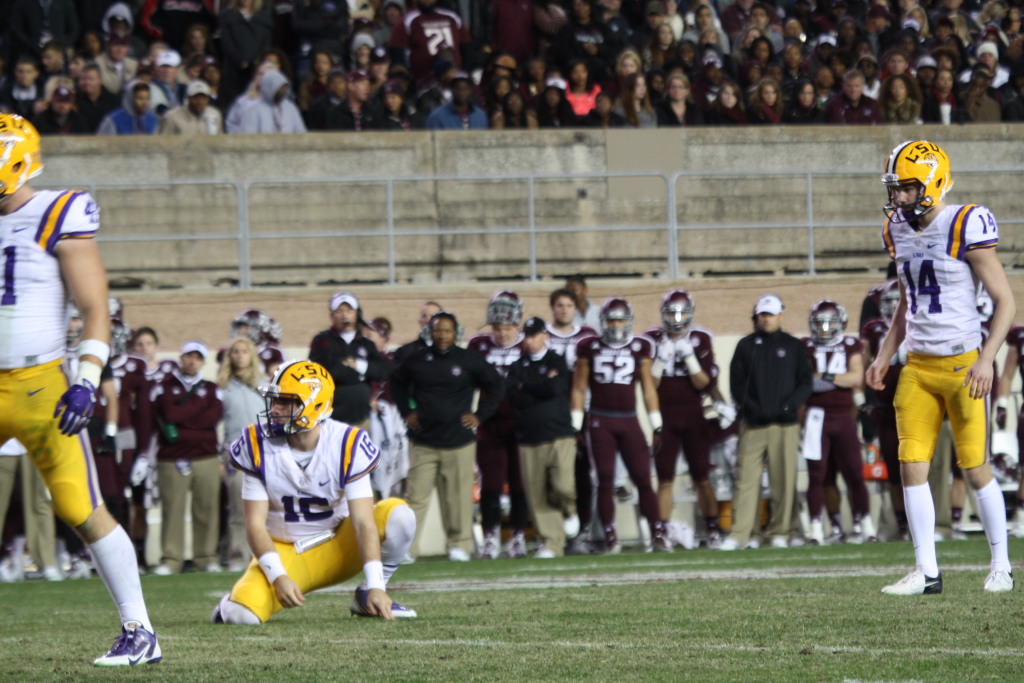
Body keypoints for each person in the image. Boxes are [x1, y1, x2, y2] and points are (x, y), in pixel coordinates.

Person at [0, 113, 160, 665]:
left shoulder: (57, 211)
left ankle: (140, 630)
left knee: (81, 506)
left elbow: (95, 308)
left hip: (40, 384)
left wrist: (88, 380)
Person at [869, 140, 1015, 595]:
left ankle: (1002, 565)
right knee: (911, 462)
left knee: (975, 468)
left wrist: (987, 358)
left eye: (907, 189)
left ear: (931, 184)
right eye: (895, 189)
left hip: (962, 365)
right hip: (917, 365)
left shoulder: (964, 223)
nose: (898, 198)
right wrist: (882, 353)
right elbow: (906, 301)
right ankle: (926, 571)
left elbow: (1007, 302)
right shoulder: (896, 229)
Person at [212, 360, 415, 624]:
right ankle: (229, 604)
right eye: (274, 401)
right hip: (285, 551)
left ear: (315, 404)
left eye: (285, 402)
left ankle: (368, 595)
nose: (275, 410)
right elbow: (254, 523)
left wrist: (377, 585)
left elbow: (364, 522)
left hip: (339, 542)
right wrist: (278, 575)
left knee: (400, 516)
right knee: (242, 616)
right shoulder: (256, 444)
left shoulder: (347, 442)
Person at [389, 311, 503, 562]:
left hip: (458, 442)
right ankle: (408, 548)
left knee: (458, 498)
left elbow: (495, 385)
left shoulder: (469, 360)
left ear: (456, 333)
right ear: (431, 332)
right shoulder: (416, 360)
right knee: (415, 498)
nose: (442, 335)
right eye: (438, 330)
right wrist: (407, 412)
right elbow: (395, 383)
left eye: (447, 330)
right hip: (423, 442)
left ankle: (459, 545)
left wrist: (479, 415)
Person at [571, 297, 668, 553]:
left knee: (643, 479)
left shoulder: (640, 346)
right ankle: (610, 536)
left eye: (620, 319)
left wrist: (656, 424)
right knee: (604, 480)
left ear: (629, 321)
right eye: (611, 319)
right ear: (603, 321)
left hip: (629, 419)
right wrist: (576, 425)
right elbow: (579, 388)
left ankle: (658, 533)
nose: (615, 325)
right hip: (600, 420)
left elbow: (648, 390)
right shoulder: (589, 347)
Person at [721, 293, 813, 550]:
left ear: (780, 316)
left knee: (783, 480)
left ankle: (780, 531)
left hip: (785, 425)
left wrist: (790, 405)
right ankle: (742, 533)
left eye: (771, 314)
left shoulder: (793, 346)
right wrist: (750, 407)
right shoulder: (746, 345)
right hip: (753, 424)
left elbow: (805, 382)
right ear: (756, 316)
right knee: (745, 481)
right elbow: (736, 383)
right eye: (762, 314)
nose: (766, 319)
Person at [645, 290, 724, 548]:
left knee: (701, 475)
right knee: (665, 477)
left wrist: (689, 358)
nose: (676, 318)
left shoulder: (700, 338)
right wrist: (661, 359)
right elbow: (651, 384)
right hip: (665, 415)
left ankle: (712, 528)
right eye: (671, 312)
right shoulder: (653, 340)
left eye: (680, 312)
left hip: (694, 415)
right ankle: (661, 531)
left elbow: (705, 382)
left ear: (690, 313)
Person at [800, 300, 877, 545]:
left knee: (855, 473)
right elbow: (803, 379)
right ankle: (817, 528)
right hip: (815, 416)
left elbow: (856, 377)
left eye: (829, 322)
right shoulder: (805, 346)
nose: (824, 328)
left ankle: (866, 525)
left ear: (841, 323)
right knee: (817, 475)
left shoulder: (850, 344)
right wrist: (837, 380)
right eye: (819, 322)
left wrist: (824, 377)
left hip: (844, 415)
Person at [146, 340, 223, 575]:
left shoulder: (212, 388)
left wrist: (183, 419)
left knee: (207, 509)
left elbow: (212, 419)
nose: (192, 361)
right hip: (172, 458)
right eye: (189, 356)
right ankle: (171, 558)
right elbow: (168, 413)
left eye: (197, 357)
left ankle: (206, 556)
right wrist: (195, 413)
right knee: (173, 510)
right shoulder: (164, 386)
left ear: (202, 361)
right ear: (181, 357)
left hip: (206, 457)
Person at [506, 317, 578, 558]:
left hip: (559, 433)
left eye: (534, 335)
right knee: (537, 495)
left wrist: (526, 386)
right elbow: (513, 398)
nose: (530, 340)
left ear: (545, 335)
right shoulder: (516, 366)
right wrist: (540, 385)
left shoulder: (557, 360)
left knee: (562, 485)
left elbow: (556, 389)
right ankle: (552, 543)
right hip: (529, 437)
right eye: (526, 335)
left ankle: (570, 511)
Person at [467, 291, 530, 559]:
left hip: (521, 424)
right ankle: (490, 536)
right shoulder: (479, 346)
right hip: (489, 425)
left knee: (520, 483)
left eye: (507, 327)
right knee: (490, 485)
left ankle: (518, 536)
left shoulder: (529, 345)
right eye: (497, 327)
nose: (502, 333)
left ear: (518, 323)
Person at [217, 336, 266, 572]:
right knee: (238, 507)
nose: (239, 355)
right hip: (236, 454)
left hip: (265, 452)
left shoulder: (264, 384)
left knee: (269, 507)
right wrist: (220, 456)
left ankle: (264, 553)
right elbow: (218, 424)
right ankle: (238, 554)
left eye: (244, 351)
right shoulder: (223, 387)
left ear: (251, 355)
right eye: (235, 351)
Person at [309, 291, 391, 429]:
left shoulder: (365, 343)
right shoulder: (322, 341)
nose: (344, 315)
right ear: (332, 315)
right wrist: (362, 374)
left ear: (356, 313)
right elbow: (327, 372)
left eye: (349, 310)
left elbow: (383, 370)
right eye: (340, 310)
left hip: (362, 419)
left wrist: (357, 364)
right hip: (330, 421)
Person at [158, 80, 223, 134]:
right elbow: (164, 142)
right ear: (188, 98)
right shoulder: (172, 117)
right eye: (195, 97)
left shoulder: (215, 114)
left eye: (203, 98)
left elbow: (220, 140)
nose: (200, 101)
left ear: (208, 99)